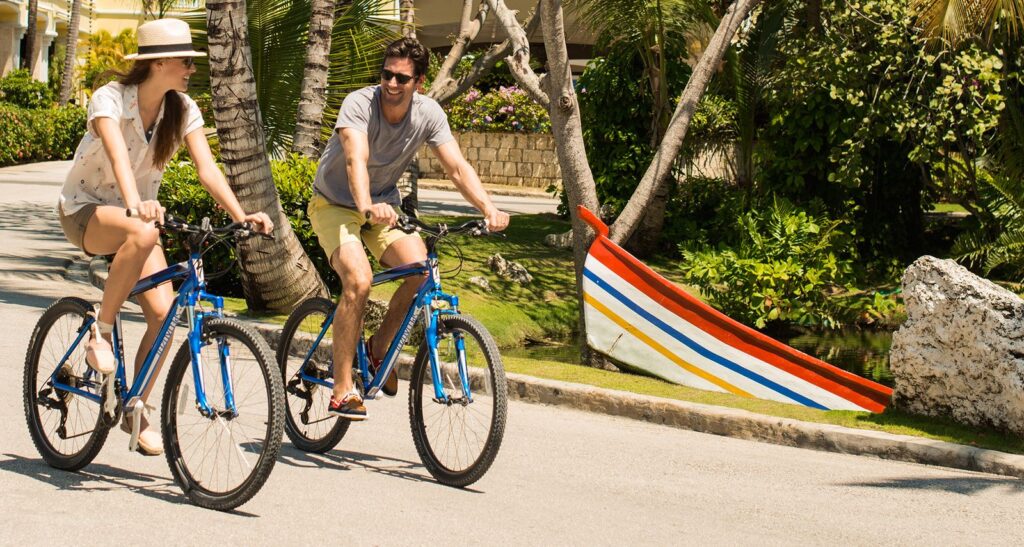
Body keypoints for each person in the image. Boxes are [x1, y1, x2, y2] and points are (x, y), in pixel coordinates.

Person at [58, 18, 273, 455]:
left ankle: (135, 406)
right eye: (184, 61)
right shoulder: (110, 100)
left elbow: (207, 169)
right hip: (85, 210)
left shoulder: (182, 109)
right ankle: (100, 332)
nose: (191, 68)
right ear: (157, 64)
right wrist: (136, 204)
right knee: (141, 230)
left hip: (139, 223)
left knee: (163, 315)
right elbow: (118, 157)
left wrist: (242, 215)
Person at [309, 37, 510, 420]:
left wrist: (489, 208)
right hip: (336, 203)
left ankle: (378, 349)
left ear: (419, 81)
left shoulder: (429, 113)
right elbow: (356, 159)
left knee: (420, 272)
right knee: (358, 281)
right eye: (387, 74)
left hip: (384, 206)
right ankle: (341, 388)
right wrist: (366, 206)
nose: (391, 84)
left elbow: (456, 167)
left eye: (402, 78)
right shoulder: (359, 104)